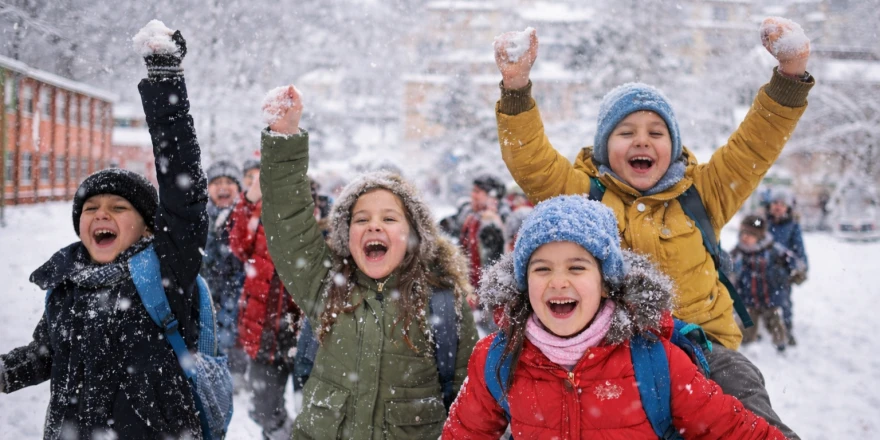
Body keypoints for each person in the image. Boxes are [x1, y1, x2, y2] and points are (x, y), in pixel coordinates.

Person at [490, 18, 813, 438]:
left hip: (702, 348)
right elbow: (530, 161)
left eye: (656, 132)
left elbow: (755, 143)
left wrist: (790, 75)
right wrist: (515, 87)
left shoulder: (704, 193)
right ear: (604, 148)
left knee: (744, 393)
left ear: (673, 147)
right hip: (613, 353)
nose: (642, 141)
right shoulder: (583, 196)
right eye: (626, 132)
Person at [0, 21, 206, 439]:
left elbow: (183, 190)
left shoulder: (164, 270)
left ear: (147, 227)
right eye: (90, 208)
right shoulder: (67, 282)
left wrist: (165, 81)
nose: (100, 215)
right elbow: (46, 354)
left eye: (117, 208)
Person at [443, 196, 787, 439]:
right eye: (542, 269)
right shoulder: (498, 357)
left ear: (606, 283)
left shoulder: (654, 359)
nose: (558, 282)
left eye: (577, 268)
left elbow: (732, 429)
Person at [258, 85, 478, 438]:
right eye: (361, 219)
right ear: (347, 236)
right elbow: (289, 223)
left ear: (414, 234)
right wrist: (284, 139)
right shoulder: (325, 286)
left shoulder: (442, 303)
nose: (374, 225)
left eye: (389, 218)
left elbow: (471, 406)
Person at [229, 164, 303, 439]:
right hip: (263, 329)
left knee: (315, 411)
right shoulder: (259, 213)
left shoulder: (312, 209)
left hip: (305, 331)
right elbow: (238, 244)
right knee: (263, 409)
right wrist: (250, 198)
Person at [202, 160, 248, 382]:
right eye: (217, 182)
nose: (223, 187)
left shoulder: (247, 217)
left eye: (229, 182)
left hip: (239, 299)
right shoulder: (199, 218)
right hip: (208, 298)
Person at [731, 215, 802, 352]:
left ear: (759, 236)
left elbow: (793, 262)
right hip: (748, 299)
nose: (745, 237)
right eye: (743, 233)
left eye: (750, 234)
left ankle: (781, 343)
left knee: (774, 324)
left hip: (769, 298)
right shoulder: (738, 252)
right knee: (747, 325)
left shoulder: (773, 250)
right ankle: (746, 344)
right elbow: (728, 268)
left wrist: (796, 272)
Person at [766, 189, 808, 345]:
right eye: (775, 203)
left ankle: (786, 329)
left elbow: (799, 249)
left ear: (787, 207)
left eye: (782, 204)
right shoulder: (763, 222)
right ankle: (760, 326)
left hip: (782, 271)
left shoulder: (792, 226)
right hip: (760, 267)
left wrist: (800, 267)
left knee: (783, 300)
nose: (778, 206)